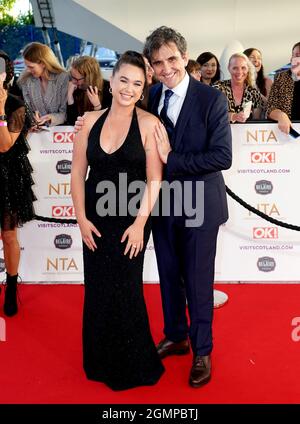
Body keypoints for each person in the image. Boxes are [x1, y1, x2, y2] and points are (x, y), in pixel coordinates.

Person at [143, 26, 232, 387]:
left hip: (200, 205)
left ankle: (202, 351)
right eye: (158, 62)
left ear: (184, 56)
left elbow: (222, 156)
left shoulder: (212, 100)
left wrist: (172, 157)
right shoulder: (150, 95)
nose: (166, 68)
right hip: (164, 203)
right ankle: (177, 335)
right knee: (168, 277)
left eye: (172, 59)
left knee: (197, 282)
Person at [71, 51, 164, 390]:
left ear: (143, 90)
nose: (128, 88)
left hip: (131, 219)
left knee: (126, 289)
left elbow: (155, 179)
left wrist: (140, 224)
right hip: (95, 216)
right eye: (123, 80)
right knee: (97, 288)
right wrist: (80, 218)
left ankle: (133, 364)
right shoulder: (90, 121)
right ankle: (98, 360)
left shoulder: (149, 124)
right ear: (111, 82)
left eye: (137, 84)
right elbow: (78, 172)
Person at [0, 51, 36, 316]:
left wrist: (0, 111)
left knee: (9, 235)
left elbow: (4, 145)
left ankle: (11, 287)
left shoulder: (15, 104)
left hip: (7, 176)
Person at [18, 42, 69, 127]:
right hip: (36, 132)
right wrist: (33, 118)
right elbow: (28, 110)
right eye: (27, 66)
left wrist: (51, 118)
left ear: (43, 63)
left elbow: (66, 113)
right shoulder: (26, 80)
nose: (28, 70)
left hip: (60, 133)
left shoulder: (63, 78)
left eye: (31, 67)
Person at [213, 52, 263, 123]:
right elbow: (212, 114)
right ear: (229, 68)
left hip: (246, 133)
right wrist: (233, 116)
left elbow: (256, 121)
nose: (239, 72)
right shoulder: (218, 87)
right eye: (235, 68)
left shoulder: (254, 93)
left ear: (248, 69)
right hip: (221, 133)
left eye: (243, 68)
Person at [67, 55, 112, 125]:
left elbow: (106, 124)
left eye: (76, 79)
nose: (73, 81)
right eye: (72, 77)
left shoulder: (108, 89)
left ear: (88, 78)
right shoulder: (75, 89)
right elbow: (72, 122)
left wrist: (97, 106)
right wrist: (69, 97)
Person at [267, 42, 300, 134]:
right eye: (296, 55)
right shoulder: (280, 77)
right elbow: (270, 108)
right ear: (291, 58)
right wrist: (281, 115)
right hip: (288, 134)